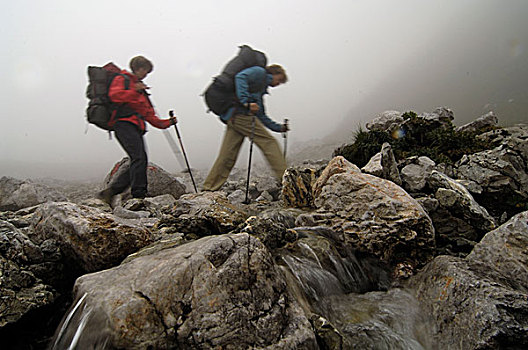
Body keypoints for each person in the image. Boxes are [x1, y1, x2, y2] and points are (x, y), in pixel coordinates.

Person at [98, 56, 176, 205]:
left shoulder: (140, 89)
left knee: (139, 159)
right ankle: (139, 194)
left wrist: (168, 123)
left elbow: (150, 116)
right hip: (122, 124)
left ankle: (110, 192)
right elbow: (114, 96)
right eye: (145, 70)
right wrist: (134, 90)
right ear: (137, 68)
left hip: (135, 128)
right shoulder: (123, 80)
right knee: (139, 158)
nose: (146, 74)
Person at [202, 64, 289, 191]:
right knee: (269, 143)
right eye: (279, 80)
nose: (278, 83)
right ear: (274, 73)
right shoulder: (259, 73)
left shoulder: (259, 89)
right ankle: (287, 181)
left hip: (234, 117)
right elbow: (240, 77)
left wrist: (279, 128)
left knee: (228, 154)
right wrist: (246, 103)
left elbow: (261, 116)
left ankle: (209, 187)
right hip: (241, 115)